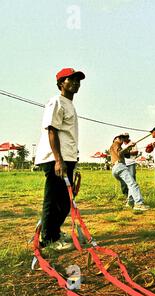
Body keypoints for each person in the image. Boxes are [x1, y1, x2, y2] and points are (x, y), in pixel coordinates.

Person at [34, 68, 85, 250]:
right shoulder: (56, 102)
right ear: (60, 84)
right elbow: (52, 130)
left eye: (78, 80)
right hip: (56, 158)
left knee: (64, 202)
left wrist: (72, 159)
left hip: (67, 158)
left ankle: (54, 231)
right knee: (54, 200)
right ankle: (48, 239)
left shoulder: (70, 105)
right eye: (70, 79)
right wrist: (58, 160)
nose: (75, 83)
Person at [110, 134, 149, 211]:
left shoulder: (116, 146)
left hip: (115, 169)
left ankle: (130, 202)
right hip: (120, 166)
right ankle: (139, 204)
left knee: (130, 185)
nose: (122, 139)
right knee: (133, 184)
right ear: (115, 139)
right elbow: (119, 153)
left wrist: (129, 147)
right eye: (120, 138)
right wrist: (128, 146)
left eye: (123, 138)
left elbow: (126, 154)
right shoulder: (115, 144)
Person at [119, 133, 139, 206]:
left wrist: (127, 152)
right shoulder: (120, 144)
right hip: (123, 164)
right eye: (122, 137)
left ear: (128, 137)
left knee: (132, 180)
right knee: (123, 181)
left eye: (124, 137)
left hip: (131, 163)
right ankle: (126, 196)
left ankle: (132, 198)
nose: (123, 139)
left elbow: (136, 152)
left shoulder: (132, 143)